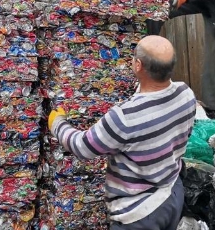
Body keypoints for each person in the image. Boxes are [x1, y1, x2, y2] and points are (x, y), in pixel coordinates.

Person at [47, 35, 197, 230]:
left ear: (138, 66)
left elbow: (82, 147)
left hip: (139, 214)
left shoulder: (125, 117)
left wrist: (57, 124)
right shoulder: (186, 95)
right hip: (172, 194)